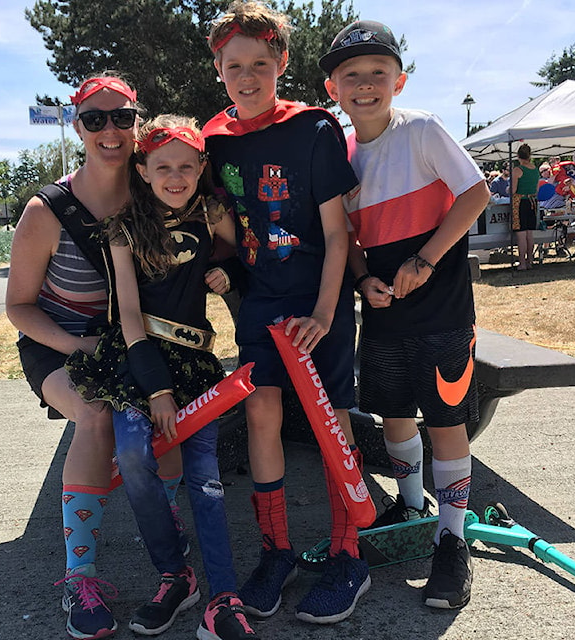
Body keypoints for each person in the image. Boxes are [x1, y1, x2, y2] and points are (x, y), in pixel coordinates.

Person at [202, 1, 368, 625]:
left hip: (318, 302)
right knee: (262, 411)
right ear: (218, 68)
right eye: (235, 65)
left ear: (283, 64)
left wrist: (325, 312)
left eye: (261, 65)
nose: (248, 78)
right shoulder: (214, 139)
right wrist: (221, 265)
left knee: (333, 420)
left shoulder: (315, 130)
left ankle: (348, 552)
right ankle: (278, 552)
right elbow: (226, 224)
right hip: (262, 305)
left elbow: (337, 233)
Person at [64, 115, 257, 640]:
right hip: (138, 363)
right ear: (143, 170)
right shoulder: (123, 229)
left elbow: (243, 253)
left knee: (206, 480)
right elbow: (128, 314)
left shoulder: (212, 212)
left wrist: (230, 272)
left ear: (201, 168)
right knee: (131, 451)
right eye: (163, 166)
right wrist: (157, 391)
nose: (176, 177)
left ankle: (222, 599)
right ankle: (176, 574)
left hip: (196, 366)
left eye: (187, 167)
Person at [5, 74, 183, 640]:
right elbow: (19, 307)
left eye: (122, 117)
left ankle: (171, 548)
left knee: (172, 415)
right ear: (78, 126)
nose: (111, 130)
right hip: (59, 342)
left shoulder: (158, 188)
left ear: (138, 122)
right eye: (95, 119)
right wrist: (79, 346)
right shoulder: (45, 211)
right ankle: (79, 577)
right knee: (95, 414)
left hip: (136, 338)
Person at [321, 19, 490, 609]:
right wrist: (365, 276)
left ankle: (452, 540)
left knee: (446, 424)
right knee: (393, 415)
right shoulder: (340, 153)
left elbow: (475, 193)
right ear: (332, 88)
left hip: (443, 314)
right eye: (352, 76)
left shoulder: (422, 129)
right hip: (385, 316)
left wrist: (424, 258)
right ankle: (412, 504)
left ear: (400, 80)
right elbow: (349, 231)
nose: (365, 85)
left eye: (378, 74)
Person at [511, 143, 539, 271]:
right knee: (529, 234)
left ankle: (522, 262)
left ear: (518, 156)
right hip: (532, 201)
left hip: (520, 202)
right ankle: (530, 261)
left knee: (521, 235)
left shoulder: (518, 170)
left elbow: (513, 190)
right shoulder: (535, 169)